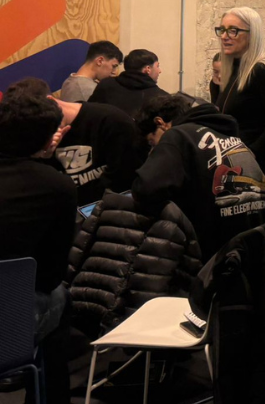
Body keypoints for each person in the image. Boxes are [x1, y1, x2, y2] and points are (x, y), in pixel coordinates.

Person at [0, 90, 77, 404]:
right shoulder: (57, 186)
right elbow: (51, 274)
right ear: (48, 139)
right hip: (12, 322)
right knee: (60, 296)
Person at [133, 94, 265, 259]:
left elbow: (144, 188)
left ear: (160, 123)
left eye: (152, 143)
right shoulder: (225, 135)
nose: (153, 150)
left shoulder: (177, 135)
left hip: (216, 254)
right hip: (258, 244)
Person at [8, 78, 141, 205]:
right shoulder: (30, 136)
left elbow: (124, 180)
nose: (42, 133)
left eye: (41, 125)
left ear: (51, 103)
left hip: (110, 206)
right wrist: (42, 157)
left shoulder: (112, 122)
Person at [214, 7, 265, 174]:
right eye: (222, 30)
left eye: (233, 31)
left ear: (252, 35)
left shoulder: (261, 71)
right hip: (229, 159)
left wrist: (251, 152)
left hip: (249, 165)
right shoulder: (232, 70)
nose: (224, 36)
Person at [88, 48, 169, 117]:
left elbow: (90, 114)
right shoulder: (161, 98)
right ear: (148, 69)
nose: (159, 71)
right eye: (157, 66)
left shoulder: (106, 85)